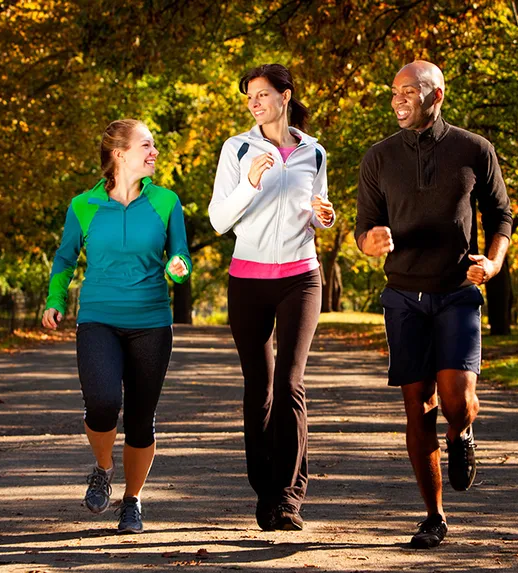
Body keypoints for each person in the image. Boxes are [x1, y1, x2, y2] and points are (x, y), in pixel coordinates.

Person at [355, 61, 513, 549]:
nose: (398, 99)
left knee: (454, 402)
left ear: (436, 96)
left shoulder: (474, 150)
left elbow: (501, 215)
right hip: (402, 295)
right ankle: (434, 516)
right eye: (394, 91)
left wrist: (494, 263)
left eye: (408, 91)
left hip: (456, 294)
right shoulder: (378, 158)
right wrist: (370, 243)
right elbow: (364, 228)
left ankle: (463, 434)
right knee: (417, 409)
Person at [42, 119, 191, 534]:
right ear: (120, 154)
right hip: (98, 318)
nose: (154, 152)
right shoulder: (83, 205)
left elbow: (179, 255)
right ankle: (103, 468)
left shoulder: (166, 202)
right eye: (147, 145)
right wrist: (55, 300)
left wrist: (178, 269)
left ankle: (132, 502)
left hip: (151, 322)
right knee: (103, 403)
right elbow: (65, 258)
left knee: (142, 420)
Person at [209, 63, 335, 532]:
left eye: (262, 95)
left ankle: (288, 498)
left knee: (290, 384)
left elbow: (315, 214)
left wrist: (325, 217)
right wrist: (250, 183)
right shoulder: (237, 149)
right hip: (248, 280)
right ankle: (264, 490)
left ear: (285, 97)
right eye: (249, 98)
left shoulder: (315, 152)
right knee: (258, 389)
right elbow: (219, 219)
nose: (254, 103)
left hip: (301, 277)